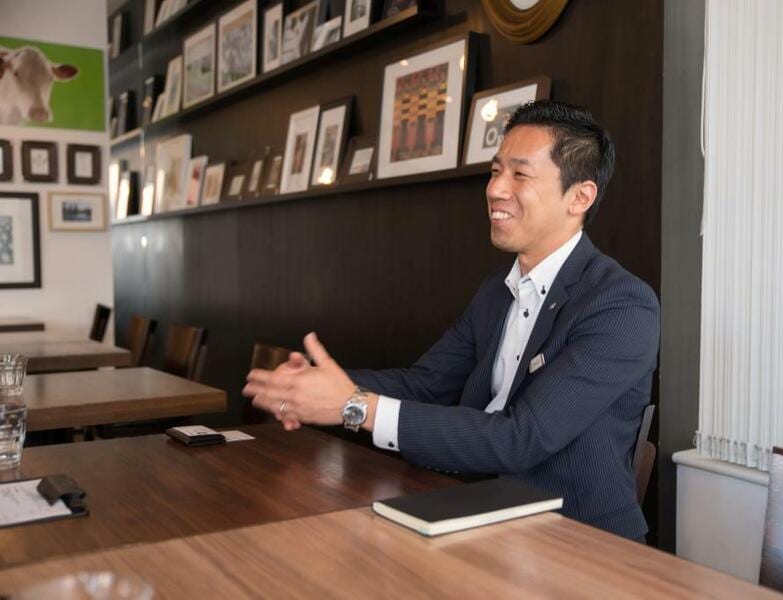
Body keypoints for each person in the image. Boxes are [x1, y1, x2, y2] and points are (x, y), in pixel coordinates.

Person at [242, 100, 660, 541]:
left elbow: (522, 438)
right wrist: (316, 385)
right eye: (495, 171)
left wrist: (354, 406)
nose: (495, 189)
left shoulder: (621, 305)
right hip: (471, 512)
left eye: (519, 175)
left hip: (576, 541)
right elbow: (426, 385)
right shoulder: (495, 290)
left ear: (580, 197)